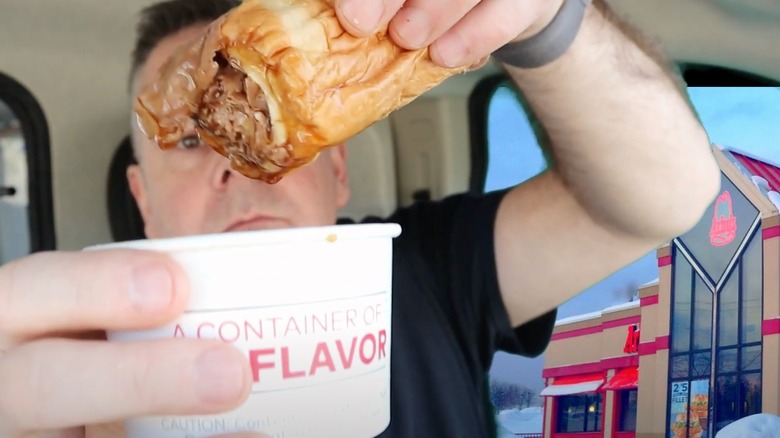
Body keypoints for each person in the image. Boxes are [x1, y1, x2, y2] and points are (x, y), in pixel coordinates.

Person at [0, 0, 721, 437]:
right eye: (190, 138)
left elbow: (664, 197)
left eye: (264, 123)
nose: (237, 161)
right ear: (143, 200)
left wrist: (549, 21)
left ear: (337, 170)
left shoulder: (430, 270)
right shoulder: (87, 362)